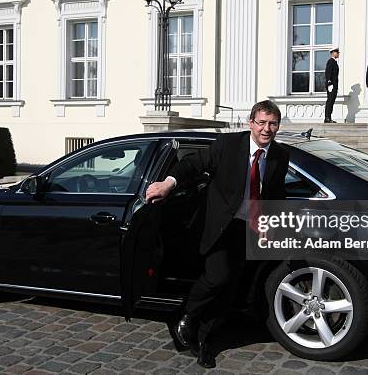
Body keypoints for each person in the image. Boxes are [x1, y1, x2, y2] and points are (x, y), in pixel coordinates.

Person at [145, 100, 289, 368]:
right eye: (261, 122)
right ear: (251, 123)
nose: (266, 129)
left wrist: (272, 223)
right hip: (220, 225)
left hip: (250, 229)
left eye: (272, 124)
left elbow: (275, 194)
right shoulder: (228, 145)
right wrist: (167, 183)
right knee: (217, 276)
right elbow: (192, 165)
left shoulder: (280, 155)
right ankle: (186, 314)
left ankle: (204, 342)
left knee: (230, 288)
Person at [324, 47, 340, 123]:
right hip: (331, 85)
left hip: (334, 85)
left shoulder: (334, 62)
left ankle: (328, 117)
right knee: (330, 101)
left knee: (331, 101)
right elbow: (328, 73)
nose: (338, 54)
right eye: (337, 52)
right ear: (333, 53)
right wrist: (329, 83)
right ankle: (327, 118)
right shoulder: (331, 61)